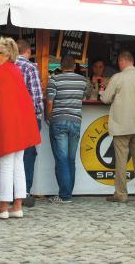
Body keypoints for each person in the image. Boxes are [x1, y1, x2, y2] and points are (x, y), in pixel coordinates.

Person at [0, 37, 41, 219]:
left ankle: (3, 208)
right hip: (21, 124)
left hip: (7, 124)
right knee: (17, 164)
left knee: (6, 165)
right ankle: (17, 206)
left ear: (6, 54)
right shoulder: (15, 70)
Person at [100, 51, 135, 203]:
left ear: (122, 62)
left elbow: (106, 99)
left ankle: (121, 194)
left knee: (121, 161)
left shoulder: (117, 78)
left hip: (121, 125)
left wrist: (102, 91)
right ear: (132, 61)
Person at [45, 55, 87, 203]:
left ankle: (65, 195)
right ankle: (67, 194)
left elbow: (49, 101)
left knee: (61, 159)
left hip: (59, 121)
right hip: (75, 121)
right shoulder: (82, 81)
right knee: (70, 159)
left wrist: (48, 117)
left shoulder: (54, 80)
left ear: (61, 66)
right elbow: (84, 97)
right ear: (75, 66)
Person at [15, 39, 44, 205]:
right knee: (28, 154)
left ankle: (10, 192)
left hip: (10, 117)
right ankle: (23, 191)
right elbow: (37, 97)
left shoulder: (6, 66)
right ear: (29, 52)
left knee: (11, 154)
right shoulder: (29, 67)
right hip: (28, 118)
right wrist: (39, 114)